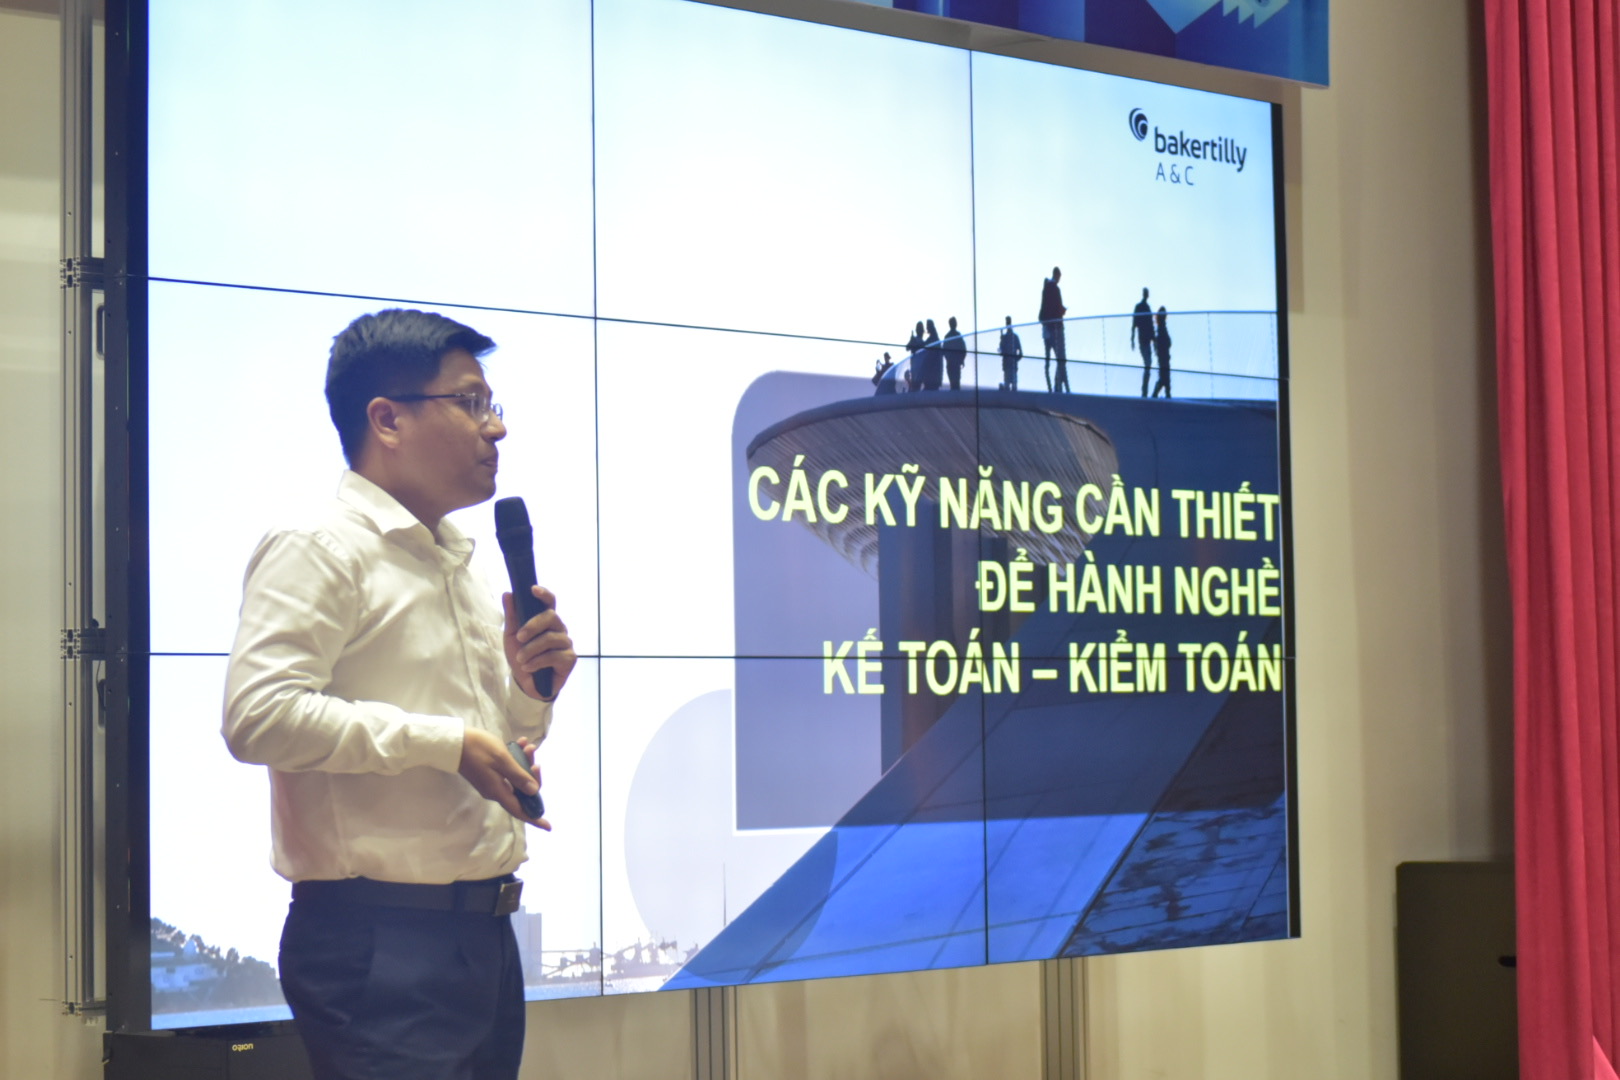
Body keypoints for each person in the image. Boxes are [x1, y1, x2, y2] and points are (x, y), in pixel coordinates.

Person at [223, 309, 577, 1080]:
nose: (497, 428)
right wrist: (447, 744)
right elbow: (258, 715)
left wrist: (527, 698)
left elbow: (487, 743)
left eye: (492, 404)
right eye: (472, 403)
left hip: (483, 938)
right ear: (387, 419)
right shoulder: (319, 548)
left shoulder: (453, 559)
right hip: (377, 946)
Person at [1039, 267, 1067, 392]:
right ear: (1057, 275)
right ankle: (1057, 385)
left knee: (1049, 360)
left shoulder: (1046, 288)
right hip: (1056, 328)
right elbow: (1056, 307)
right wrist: (1062, 310)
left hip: (1048, 328)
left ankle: (1053, 386)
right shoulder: (1054, 288)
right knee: (1061, 359)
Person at [1131, 287, 1154, 397]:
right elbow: (1134, 323)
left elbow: (1150, 325)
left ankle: (1145, 390)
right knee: (1148, 364)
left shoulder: (1146, 307)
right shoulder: (1141, 307)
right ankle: (1144, 390)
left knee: (1148, 364)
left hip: (1146, 339)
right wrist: (1132, 339)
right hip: (1143, 340)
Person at [1151, 305, 1172, 399]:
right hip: (1163, 357)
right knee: (1165, 377)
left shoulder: (1161, 328)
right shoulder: (1161, 329)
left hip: (1164, 356)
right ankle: (1161, 394)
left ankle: (1164, 394)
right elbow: (1164, 342)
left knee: (1165, 377)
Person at [998, 316, 1023, 391]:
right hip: (1008, 365)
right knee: (1009, 386)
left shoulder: (1013, 337)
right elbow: (1001, 351)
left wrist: (1015, 360)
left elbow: (1021, 353)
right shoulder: (1008, 337)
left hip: (1011, 365)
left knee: (1012, 386)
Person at [942, 316, 967, 391]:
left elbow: (944, 351)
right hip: (954, 363)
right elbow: (963, 349)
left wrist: (960, 360)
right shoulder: (957, 336)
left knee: (953, 384)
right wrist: (961, 360)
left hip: (952, 364)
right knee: (955, 383)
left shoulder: (948, 336)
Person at [920, 318, 944, 390]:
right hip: (931, 372)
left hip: (933, 372)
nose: (927, 328)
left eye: (928, 326)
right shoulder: (933, 338)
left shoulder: (934, 339)